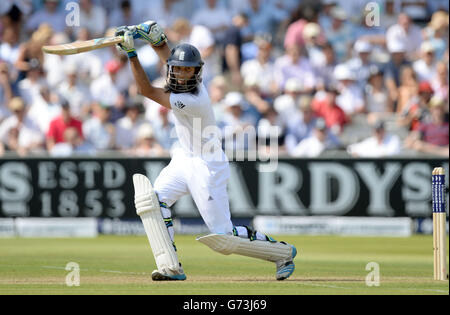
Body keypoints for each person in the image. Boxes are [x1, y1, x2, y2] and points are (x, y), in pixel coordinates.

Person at [115, 20, 296, 281]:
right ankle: (170, 267)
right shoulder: (181, 80)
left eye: (188, 70)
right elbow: (171, 61)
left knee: (223, 237)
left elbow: (145, 90)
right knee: (152, 202)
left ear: (197, 72)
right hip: (183, 158)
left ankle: (282, 253)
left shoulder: (192, 99)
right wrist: (158, 41)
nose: (181, 74)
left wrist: (132, 54)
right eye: (178, 70)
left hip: (207, 166)